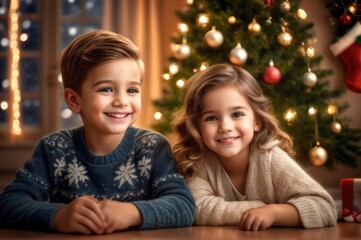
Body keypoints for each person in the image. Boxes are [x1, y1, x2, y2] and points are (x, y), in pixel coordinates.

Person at [0, 29, 195, 235]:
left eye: (132, 90)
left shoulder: (153, 147)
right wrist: (58, 216)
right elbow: (8, 204)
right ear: (74, 100)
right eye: (106, 89)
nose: (122, 101)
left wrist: (132, 212)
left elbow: (183, 205)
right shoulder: (53, 149)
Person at [173, 63, 337, 231]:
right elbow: (197, 208)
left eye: (237, 114)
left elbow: (324, 207)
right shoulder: (197, 161)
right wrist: (255, 208)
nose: (225, 127)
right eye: (211, 118)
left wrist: (273, 212)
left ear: (257, 121)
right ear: (197, 125)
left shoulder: (271, 157)